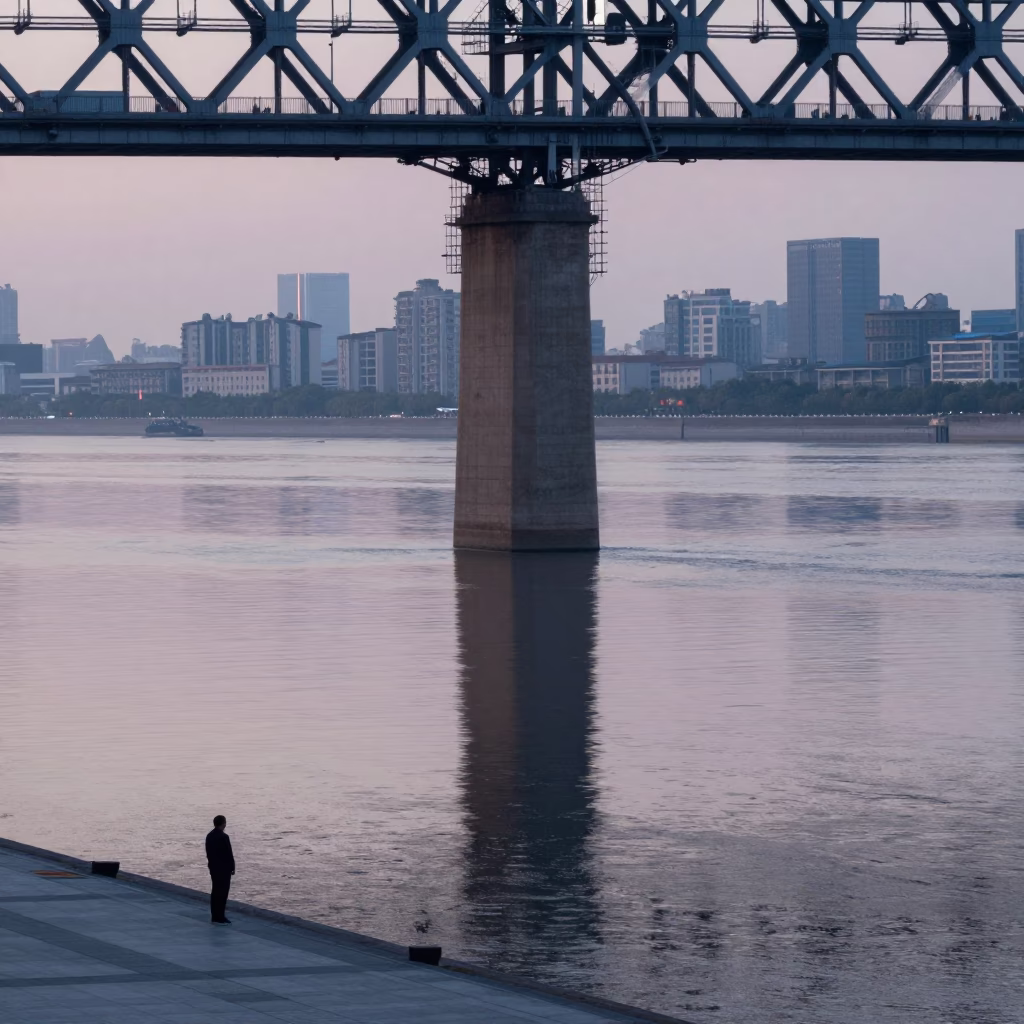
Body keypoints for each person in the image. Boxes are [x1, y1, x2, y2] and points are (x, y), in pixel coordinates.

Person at [205, 815, 235, 924]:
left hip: (213, 868)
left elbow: (208, 853)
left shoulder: (209, 836)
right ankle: (221, 916)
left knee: (215, 891)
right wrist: (232, 867)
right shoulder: (224, 837)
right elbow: (229, 854)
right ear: (223, 823)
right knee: (223, 893)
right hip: (224, 869)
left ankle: (214, 915)